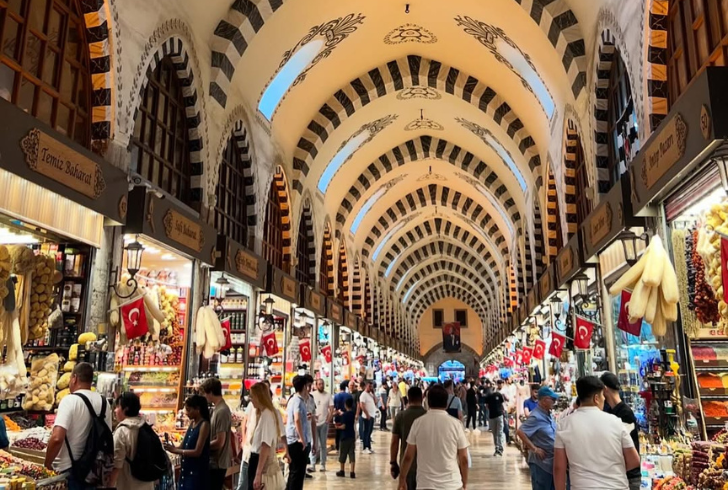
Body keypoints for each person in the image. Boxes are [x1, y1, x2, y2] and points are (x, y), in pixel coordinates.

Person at [554, 376, 641, 490]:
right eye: (602, 396)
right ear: (596, 398)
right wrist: (611, 471)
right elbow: (634, 460)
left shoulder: (564, 425)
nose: (604, 399)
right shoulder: (615, 422)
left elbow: (559, 467)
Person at [45, 362, 113, 490]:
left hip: (69, 472)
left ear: (74, 378)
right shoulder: (104, 403)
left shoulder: (69, 400)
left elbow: (57, 438)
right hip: (94, 471)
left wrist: (47, 463)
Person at [398, 385, 469, 490]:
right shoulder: (456, 424)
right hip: (452, 484)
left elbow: (408, 456)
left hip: (425, 484)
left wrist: (402, 479)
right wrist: (464, 482)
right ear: (445, 403)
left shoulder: (418, 423)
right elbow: (464, 458)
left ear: (428, 402)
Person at [601, 372, 642, 490]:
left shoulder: (625, 413)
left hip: (629, 477)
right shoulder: (610, 411)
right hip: (619, 475)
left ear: (605, 389)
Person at [108, 392, 154, 490]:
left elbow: (116, 465)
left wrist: (109, 486)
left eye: (118, 407)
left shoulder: (122, 432)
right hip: (147, 485)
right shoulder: (145, 426)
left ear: (126, 409)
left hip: (128, 485)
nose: (115, 410)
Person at [517, 386, 559, 490]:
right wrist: (534, 449)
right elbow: (520, 431)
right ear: (545, 400)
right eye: (552, 399)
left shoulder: (548, 414)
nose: (554, 401)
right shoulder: (536, 416)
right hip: (541, 464)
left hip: (550, 463)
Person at [164, 395, 210, 490]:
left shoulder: (204, 425)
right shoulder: (192, 423)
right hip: (185, 471)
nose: (187, 413)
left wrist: (177, 451)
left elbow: (197, 452)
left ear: (197, 409)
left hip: (196, 473)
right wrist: (172, 447)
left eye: (189, 410)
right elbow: (183, 445)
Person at [248, 382, 286, 490]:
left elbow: (265, 445)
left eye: (252, 396)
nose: (250, 399)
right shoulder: (266, 413)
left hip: (260, 461)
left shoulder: (267, 415)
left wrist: (258, 473)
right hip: (260, 460)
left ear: (258, 397)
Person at [390, 386, 427, 490]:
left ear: (408, 398)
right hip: (425, 466)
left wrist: (393, 463)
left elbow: (394, 442)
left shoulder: (401, 416)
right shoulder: (427, 415)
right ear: (422, 397)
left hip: (406, 467)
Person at [200, 378, 232, 490]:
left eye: (205, 393)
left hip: (218, 463)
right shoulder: (217, 409)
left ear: (211, 392)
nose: (204, 396)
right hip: (215, 462)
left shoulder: (222, 411)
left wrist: (201, 447)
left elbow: (220, 441)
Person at [285, 375, 314, 490]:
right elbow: (296, 419)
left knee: (295, 473)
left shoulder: (293, 399)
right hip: (297, 442)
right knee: (297, 473)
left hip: (295, 441)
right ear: (303, 386)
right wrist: (302, 438)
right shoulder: (297, 400)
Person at [310, 378, 333, 472]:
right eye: (319, 384)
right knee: (314, 444)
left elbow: (331, 408)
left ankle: (323, 464)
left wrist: (328, 419)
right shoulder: (312, 395)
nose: (321, 385)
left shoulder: (328, 395)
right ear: (316, 385)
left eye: (322, 384)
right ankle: (312, 464)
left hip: (324, 423)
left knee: (323, 444)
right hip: (314, 423)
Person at [484, 380, 508, 456]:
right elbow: (487, 406)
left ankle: (499, 448)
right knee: (495, 433)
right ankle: (497, 448)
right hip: (493, 416)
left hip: (498, 415)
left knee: (499, 432)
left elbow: (501, 404)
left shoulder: (499, 395)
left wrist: (503, 413)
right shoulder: (489, 396)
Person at [335, 397, 357, 479]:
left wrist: (338, 427)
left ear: (345, 405)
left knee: (343, 454)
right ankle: (352, 472)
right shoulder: (352, 414)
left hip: (344, 437)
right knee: (352, 454)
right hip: (351, 436)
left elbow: (343, 426)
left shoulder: (344, 415)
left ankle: (342, 471)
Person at [359, 381, 378, 454]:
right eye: (369, 386)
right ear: (366, 386)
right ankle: (365, 447)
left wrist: (373, 394)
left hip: (372, 415)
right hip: (367, 416)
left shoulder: (370, 394)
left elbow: (376, 402)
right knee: (366, 432)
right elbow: (362, 405)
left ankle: (369, 447)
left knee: (369, 432)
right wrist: (367, 414)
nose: (371, 388)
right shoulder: (363, 395)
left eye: (372, 386)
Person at [333, 381, 352, 451]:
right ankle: (345, 446)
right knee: (346, 431)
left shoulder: (336, 396)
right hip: (347, 416)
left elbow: (334, 407)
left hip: (338, 416)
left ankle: (337, 447)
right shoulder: (349, 396)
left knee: (338, 432)